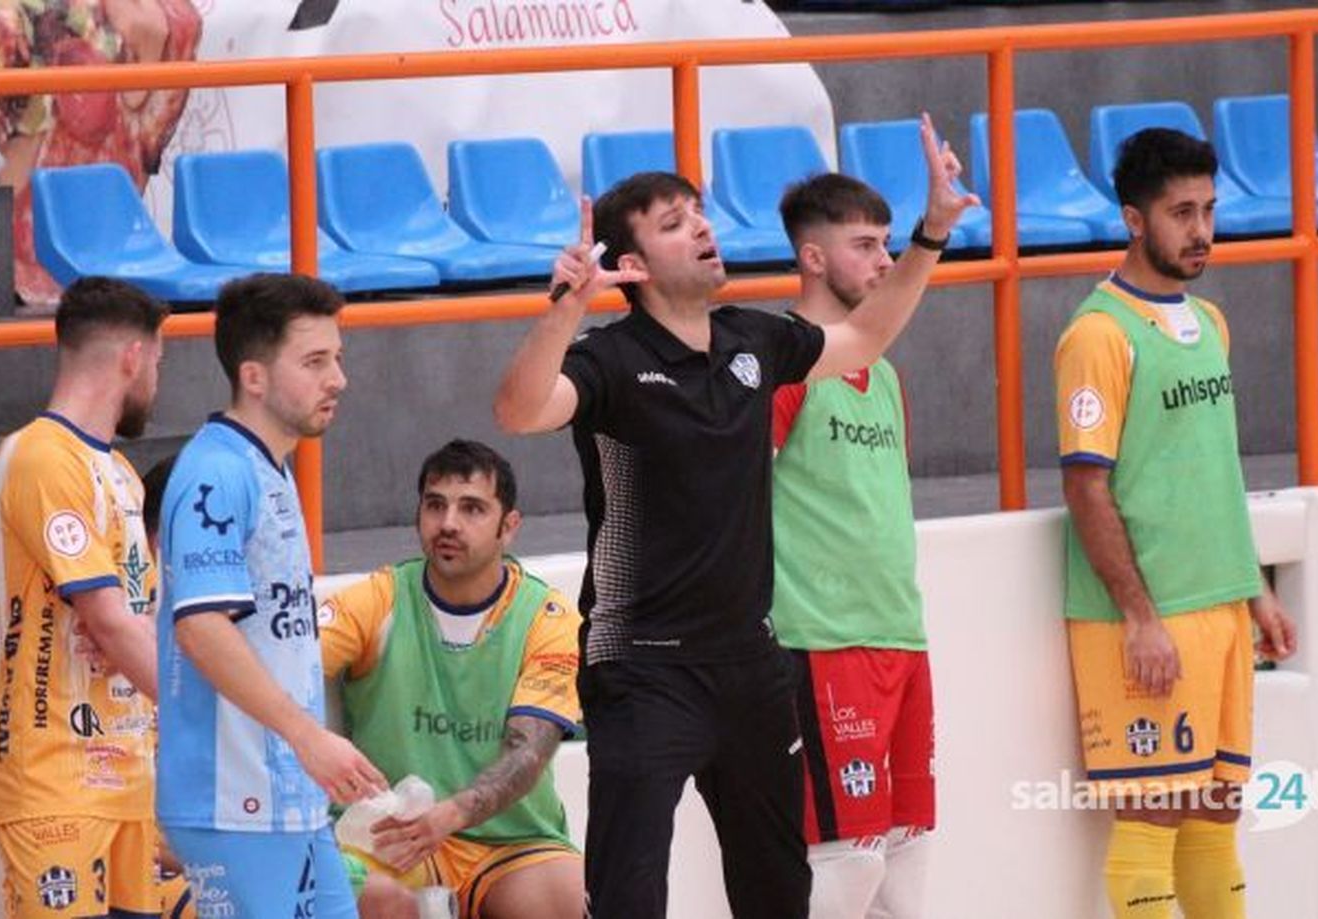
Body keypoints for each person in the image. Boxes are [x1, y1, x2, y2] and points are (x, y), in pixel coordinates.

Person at [494, 112, 975, 919]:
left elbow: (861, 335)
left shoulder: (755, 339)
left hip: (753, 666)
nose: (702, 228)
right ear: (635, 264)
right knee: (630, 894)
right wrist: (565, 310)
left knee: (780, 892)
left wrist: (929, 233)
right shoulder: (609, 361)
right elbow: (520, 408)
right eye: (675, 223)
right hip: (642, 667)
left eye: (701, 213)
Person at [1054, 128, 1298, 919]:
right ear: (1133, 219)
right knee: (1151, 820)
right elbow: (1087, 486)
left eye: (1209, 209)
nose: (1200, 230)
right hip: (1148, 622)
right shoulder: (1098, 334)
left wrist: (1251, 588)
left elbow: (1214, 472)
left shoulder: (1212, 324)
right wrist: (1138, 614)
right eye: (1180, 212)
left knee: (1215, 820)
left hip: (1220, 609)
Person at [156, 273, 384, 919]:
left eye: (337, 358)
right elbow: (201, 627)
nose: (337, 378)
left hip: (290, 793)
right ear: (253, 376)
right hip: (236, 798)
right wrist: (309, 737)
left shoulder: (270, 466)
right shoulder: (217, 473)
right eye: (315, 361)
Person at [319, 439, 584, 919]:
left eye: (472, 509)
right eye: (435, 505)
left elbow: (530, 750)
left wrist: (454, 813)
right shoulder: (378, 599)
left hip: (509, 843)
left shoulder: (546, 618)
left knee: (562, 896)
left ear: (510, 527)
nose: (448, 524)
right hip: (391, 837)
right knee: (370, 899)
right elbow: (281, 671)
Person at [769, 174, 934, 919]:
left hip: (901, 634)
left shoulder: (890, 374)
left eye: (886, 244)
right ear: (812, 256)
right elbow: (731, 499)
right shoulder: (785, 368)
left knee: (907, 859)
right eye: (863, 245)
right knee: (846, 863)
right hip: (823, 642)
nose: (883, 262)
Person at [0, 276, 167, 917]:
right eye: (159, 363)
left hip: (128, 778)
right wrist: (213, 711)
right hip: (53, 777)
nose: (156, 384)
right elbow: (113, 627)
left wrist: (127, 635)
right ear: (133, 357)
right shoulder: (41, 457)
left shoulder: (122, 477)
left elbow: (131, 627)